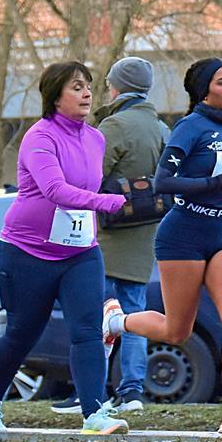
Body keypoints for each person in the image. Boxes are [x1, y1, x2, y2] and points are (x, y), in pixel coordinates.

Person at [102, 58, 222, 435]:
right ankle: (116, 321)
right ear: (204, 91)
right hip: (182, 236)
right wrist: (218, 184)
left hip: (219, 235)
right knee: (177, 332)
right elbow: (164, 181)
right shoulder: (190, 127)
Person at [0, 61, 129, 435]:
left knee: (88, 330)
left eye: (88, 86)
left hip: (79, 252)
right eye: (76, 87)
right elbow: (55, 190)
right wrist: (106, 202)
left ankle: (94, 414)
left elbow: (85, 187)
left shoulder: (95, 138)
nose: (87, 93)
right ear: (55, 96)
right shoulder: (40, 137)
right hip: (26, 252)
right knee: (21, 333)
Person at [50, 56, 169, 416]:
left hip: (107, 233)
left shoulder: (115, 125)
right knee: (133, 313)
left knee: (92, 314)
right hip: (144, 234)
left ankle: (90, 390)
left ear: (118, 85)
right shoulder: (162, 128)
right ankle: (132, 390)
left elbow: (89, 175)